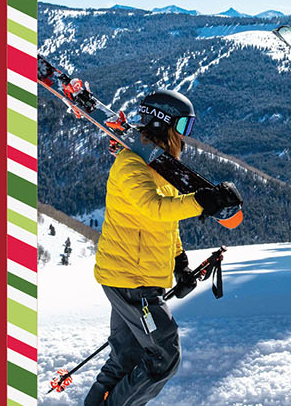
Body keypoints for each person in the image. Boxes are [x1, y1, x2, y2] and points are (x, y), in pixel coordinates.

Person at [84, 88, 242, 406]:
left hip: (135, 277)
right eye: (182, 127)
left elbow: (165, 222)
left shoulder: (159, 169)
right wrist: (202, 201)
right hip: (131, 281)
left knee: (126, 357)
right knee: (163, 356)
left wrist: (179, 263)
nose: (185, 137)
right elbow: (155, 207)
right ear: (162, 124)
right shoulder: (130, 166)